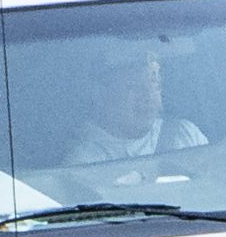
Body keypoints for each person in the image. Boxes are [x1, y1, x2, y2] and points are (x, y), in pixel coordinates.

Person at [65, 51, 208, 163]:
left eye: (154, 85)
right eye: (133, 86)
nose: (148, 96)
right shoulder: (85, 160)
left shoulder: (185, 134)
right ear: (101, 94)